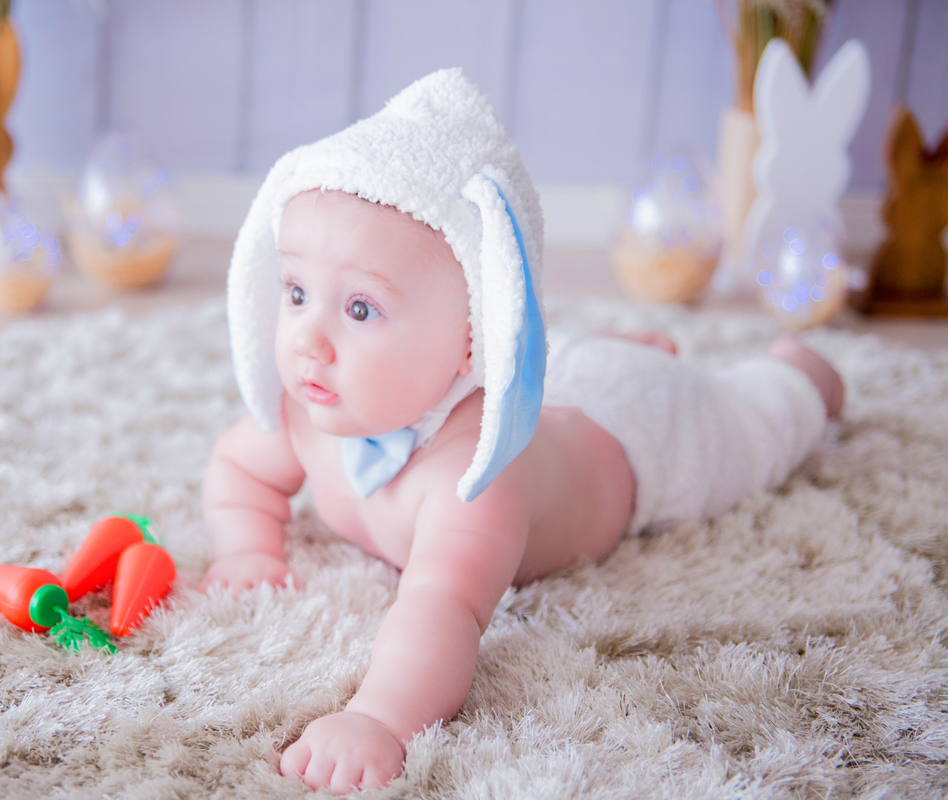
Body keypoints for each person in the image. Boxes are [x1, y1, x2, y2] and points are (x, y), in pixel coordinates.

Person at [200, 69, 844, 794]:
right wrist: (248, 550)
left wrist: (379, 718)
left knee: (752, 427)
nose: (307, 341)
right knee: (572, 364)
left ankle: (799, 373)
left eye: (359, 310)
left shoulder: (475, 474)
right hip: (567, 381)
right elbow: (238, 471)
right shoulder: (308, 412)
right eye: (295, 293)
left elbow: (444, 603)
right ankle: (614, 343)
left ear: (477, 338)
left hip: (637, 431)